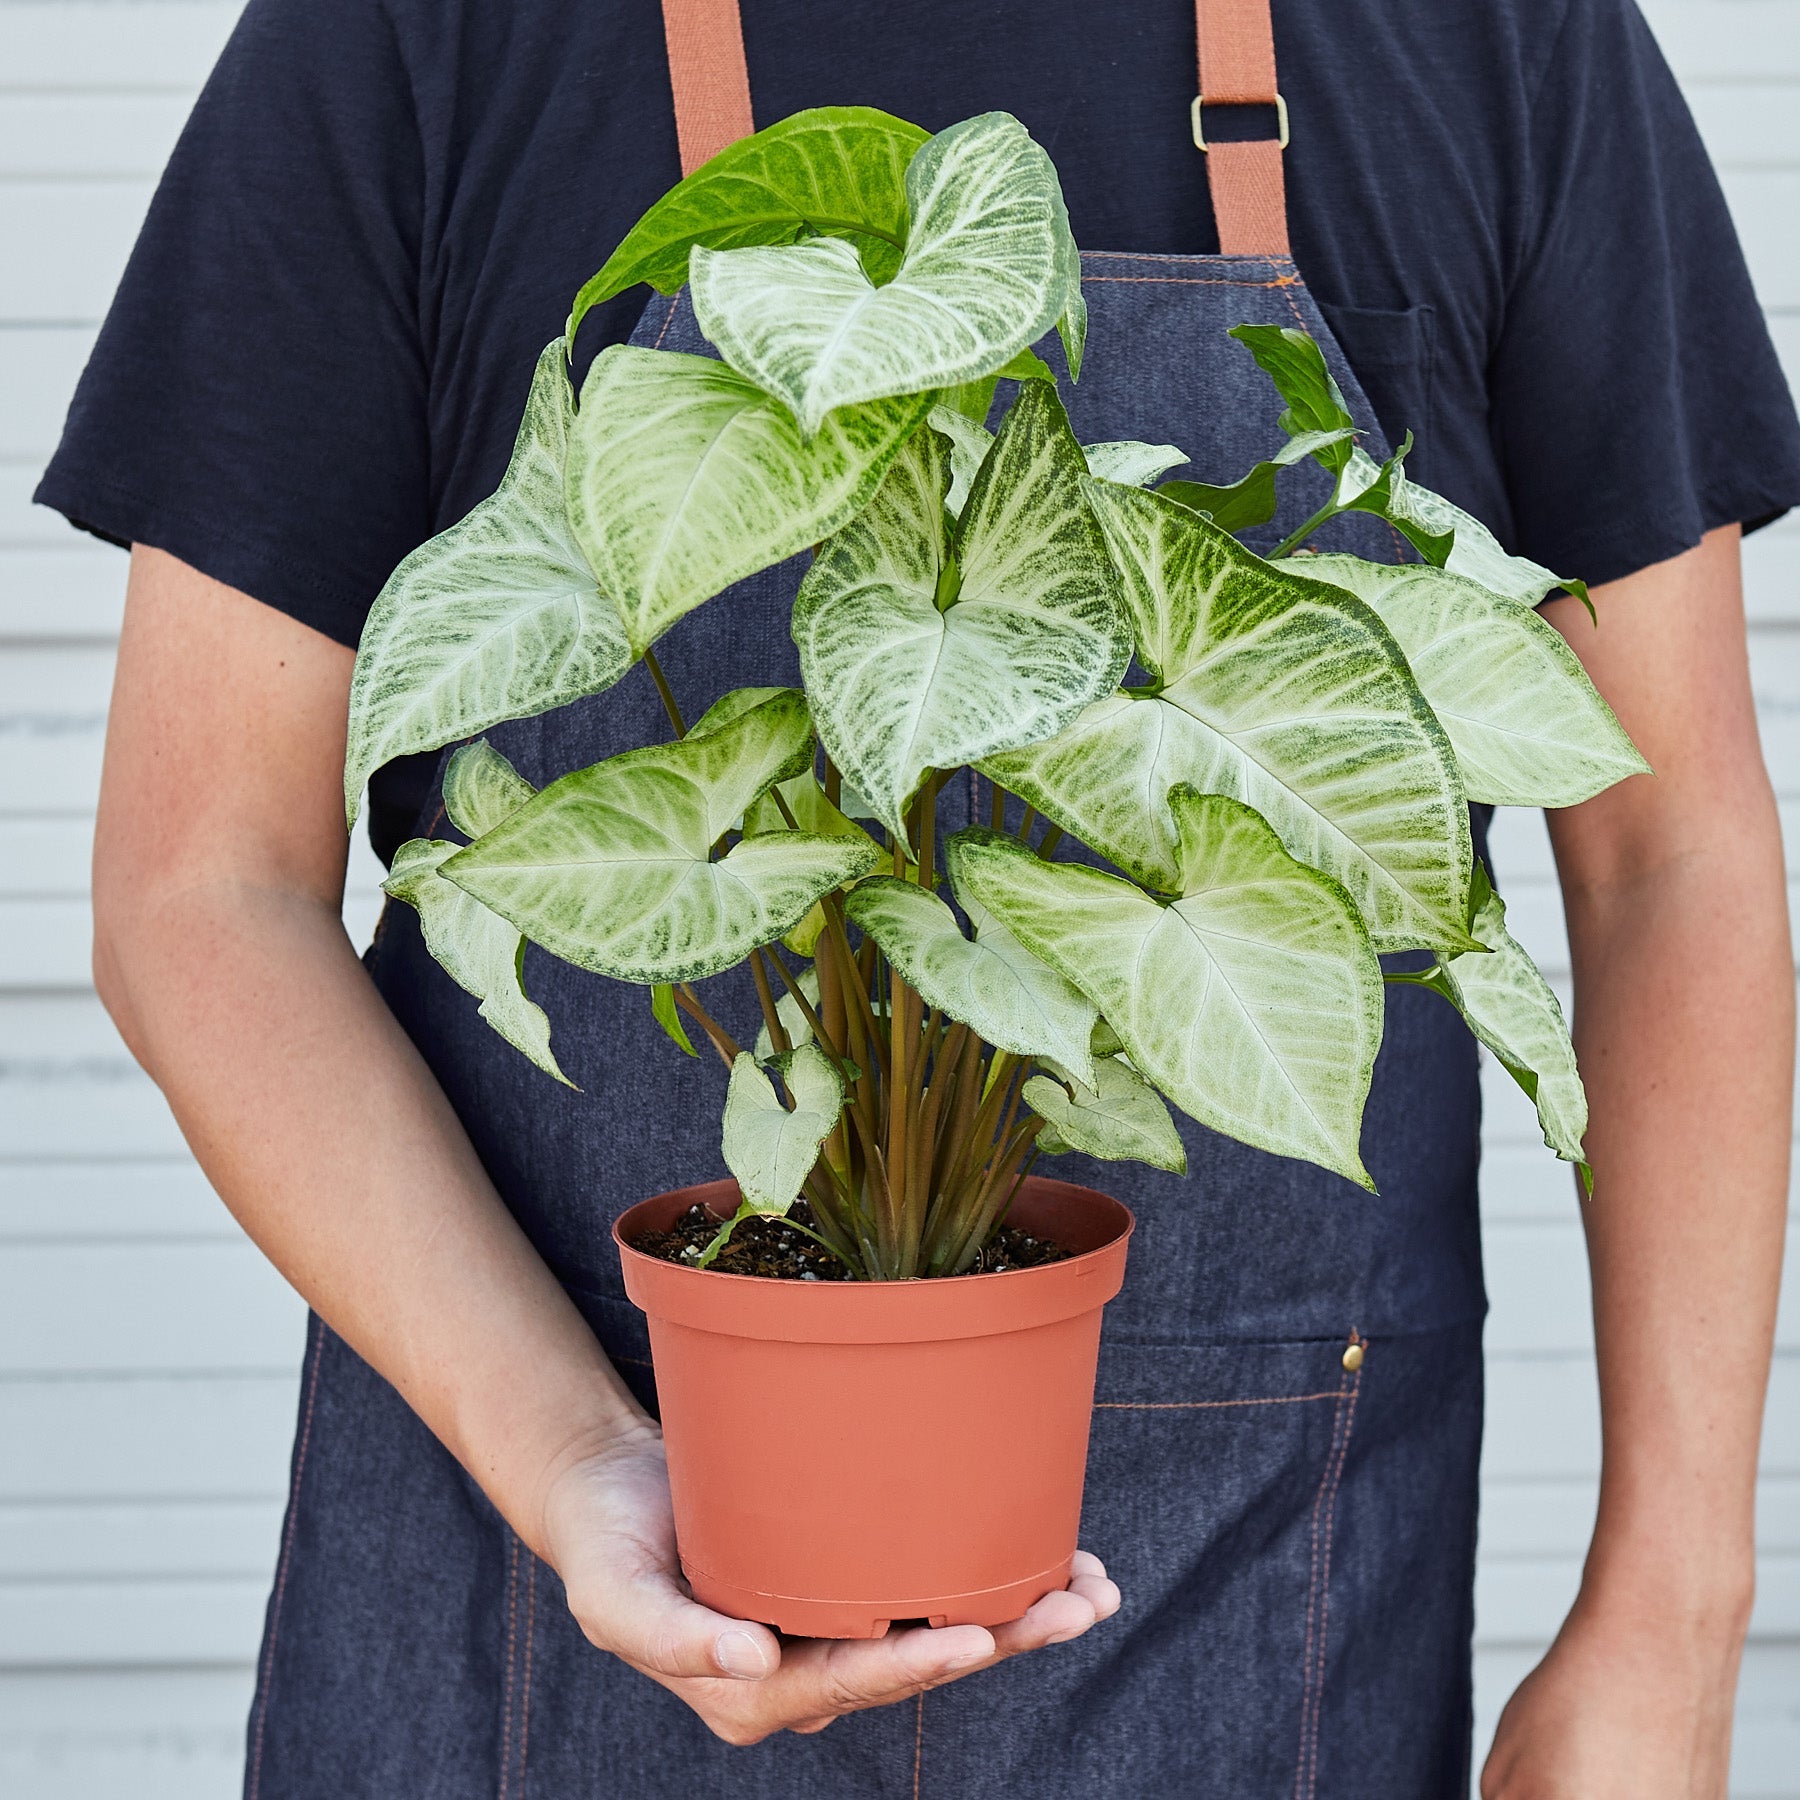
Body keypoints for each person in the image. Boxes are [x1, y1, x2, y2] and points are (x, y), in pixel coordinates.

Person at [36, 0, 1797, 1792]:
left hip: (1256, 1610)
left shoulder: (1488, 32)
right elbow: (199, 885)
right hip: (539, 1589)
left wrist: (1672, 1614)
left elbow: (1672, 857)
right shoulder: (426, 35)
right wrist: (574, 1459)